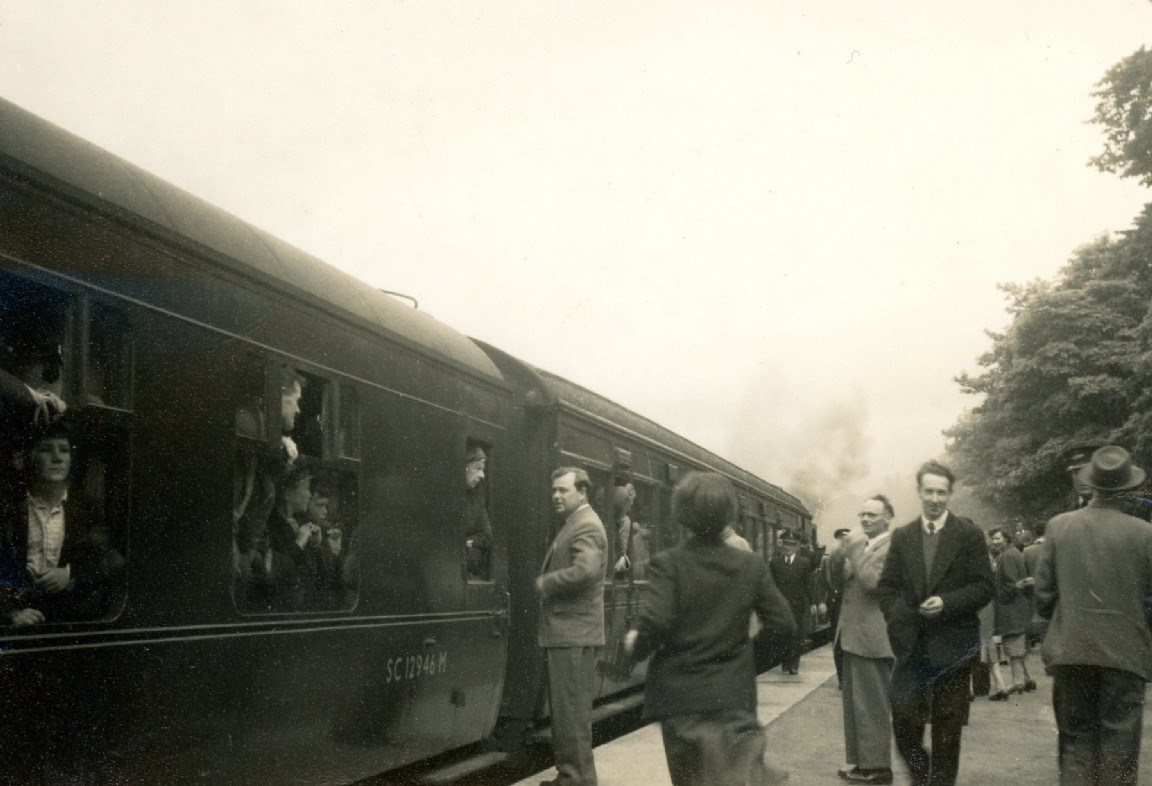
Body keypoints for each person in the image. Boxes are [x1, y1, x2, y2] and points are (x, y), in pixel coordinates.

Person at [623, 471, 795, 786]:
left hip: (680, 702)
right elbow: (784, 625)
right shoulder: (751, 565)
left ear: (682, 516)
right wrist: (745, 657)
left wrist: (634, 644)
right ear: (729, 514)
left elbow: (656, 622)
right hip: (732, 697)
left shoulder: (668, 564)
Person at [1035, 446, 1152, 786]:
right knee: (1120, 750)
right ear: (1128, 488)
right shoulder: (1145, 535)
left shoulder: (1058, 527)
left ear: (1092, 483)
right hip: (1125, 655)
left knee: (1076, 744)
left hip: (1072, 651)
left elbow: (1043, 598)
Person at [877, 460, 994, 786]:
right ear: (919, 492)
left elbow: (985, 587)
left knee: (947, 731)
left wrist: (947, 603)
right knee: (903, 722)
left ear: (950, 494)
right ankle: (920, 773)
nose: (934, 498)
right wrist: (896, 617)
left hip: (954, 648)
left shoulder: (969, 535)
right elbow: (886, 587)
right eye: (928, 491)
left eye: (941, 492)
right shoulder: (902, 537)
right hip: (911, 646)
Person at [0, 419, 122, 625]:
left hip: (68, 621)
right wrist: (10, 613)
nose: (57, 458)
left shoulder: (86, 509)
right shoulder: (8, 508)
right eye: (46, 450)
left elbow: (112, 560)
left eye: (64, 450)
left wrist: (69, 574)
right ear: (29, 458)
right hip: (17, 622)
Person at [536, 467, 607, 786]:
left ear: (582, 492)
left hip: (573, 635)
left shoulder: (586, 525)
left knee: (571, 714)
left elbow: (586, 571)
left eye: (563, 491)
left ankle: (576, 779)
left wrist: (546, 582)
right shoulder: (578, 523)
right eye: (554, 490)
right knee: (568, 714)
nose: (556, 496)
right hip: (570, 634)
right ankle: (572, 776)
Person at [830, 496, 896, 784]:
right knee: (856, 704)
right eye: (862, 514)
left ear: (888, 518)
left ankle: (878, 767)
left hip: (872, 637)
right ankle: (861, 761)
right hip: (854, 635)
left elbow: (872, 583)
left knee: (872, 704)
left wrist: (854, 548)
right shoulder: (864, 546)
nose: (865, 519)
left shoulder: (890, 547)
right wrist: (838, 555)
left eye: (872, 514)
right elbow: (837, 583)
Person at [988, 526, 1035, 698]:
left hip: (1010, 608)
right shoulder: (1013, 552)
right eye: (992, 538)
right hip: (1019, 606)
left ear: (1006, 539)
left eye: (997, 538)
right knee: (1018, 644)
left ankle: (1017, 682)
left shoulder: (1006, 556)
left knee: (1013, 645)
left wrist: (998, 596)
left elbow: (1011, 584)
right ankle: (1025, 679)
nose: (994, 541)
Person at [770, 530, 812, 674]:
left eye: (792, 545)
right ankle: (785, 661)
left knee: (796, 634)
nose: (788, 548)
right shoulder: (775, 563)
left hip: (797, 605)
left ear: (797, 547)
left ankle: (794, 664)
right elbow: (771, 584)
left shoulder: (804, 563)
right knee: (783, 634)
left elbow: (809, 584)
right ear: (782, 546)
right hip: (780, 606)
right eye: (786, 544)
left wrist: (813, 603)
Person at [464, 445, 493, 580]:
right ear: (464, 467)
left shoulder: (476, 502)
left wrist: (466, 542)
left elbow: (486, 536)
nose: (482, 475)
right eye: (478, 468)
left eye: (483, 470)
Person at [1020, 519, 1047, 647]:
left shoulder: (1027, 551)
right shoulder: (1056, 548)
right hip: (1054, 588)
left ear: (1035, 533)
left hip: (1034, 590)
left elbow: (1023, 573)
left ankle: (1038, 639)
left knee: (1038, 617)